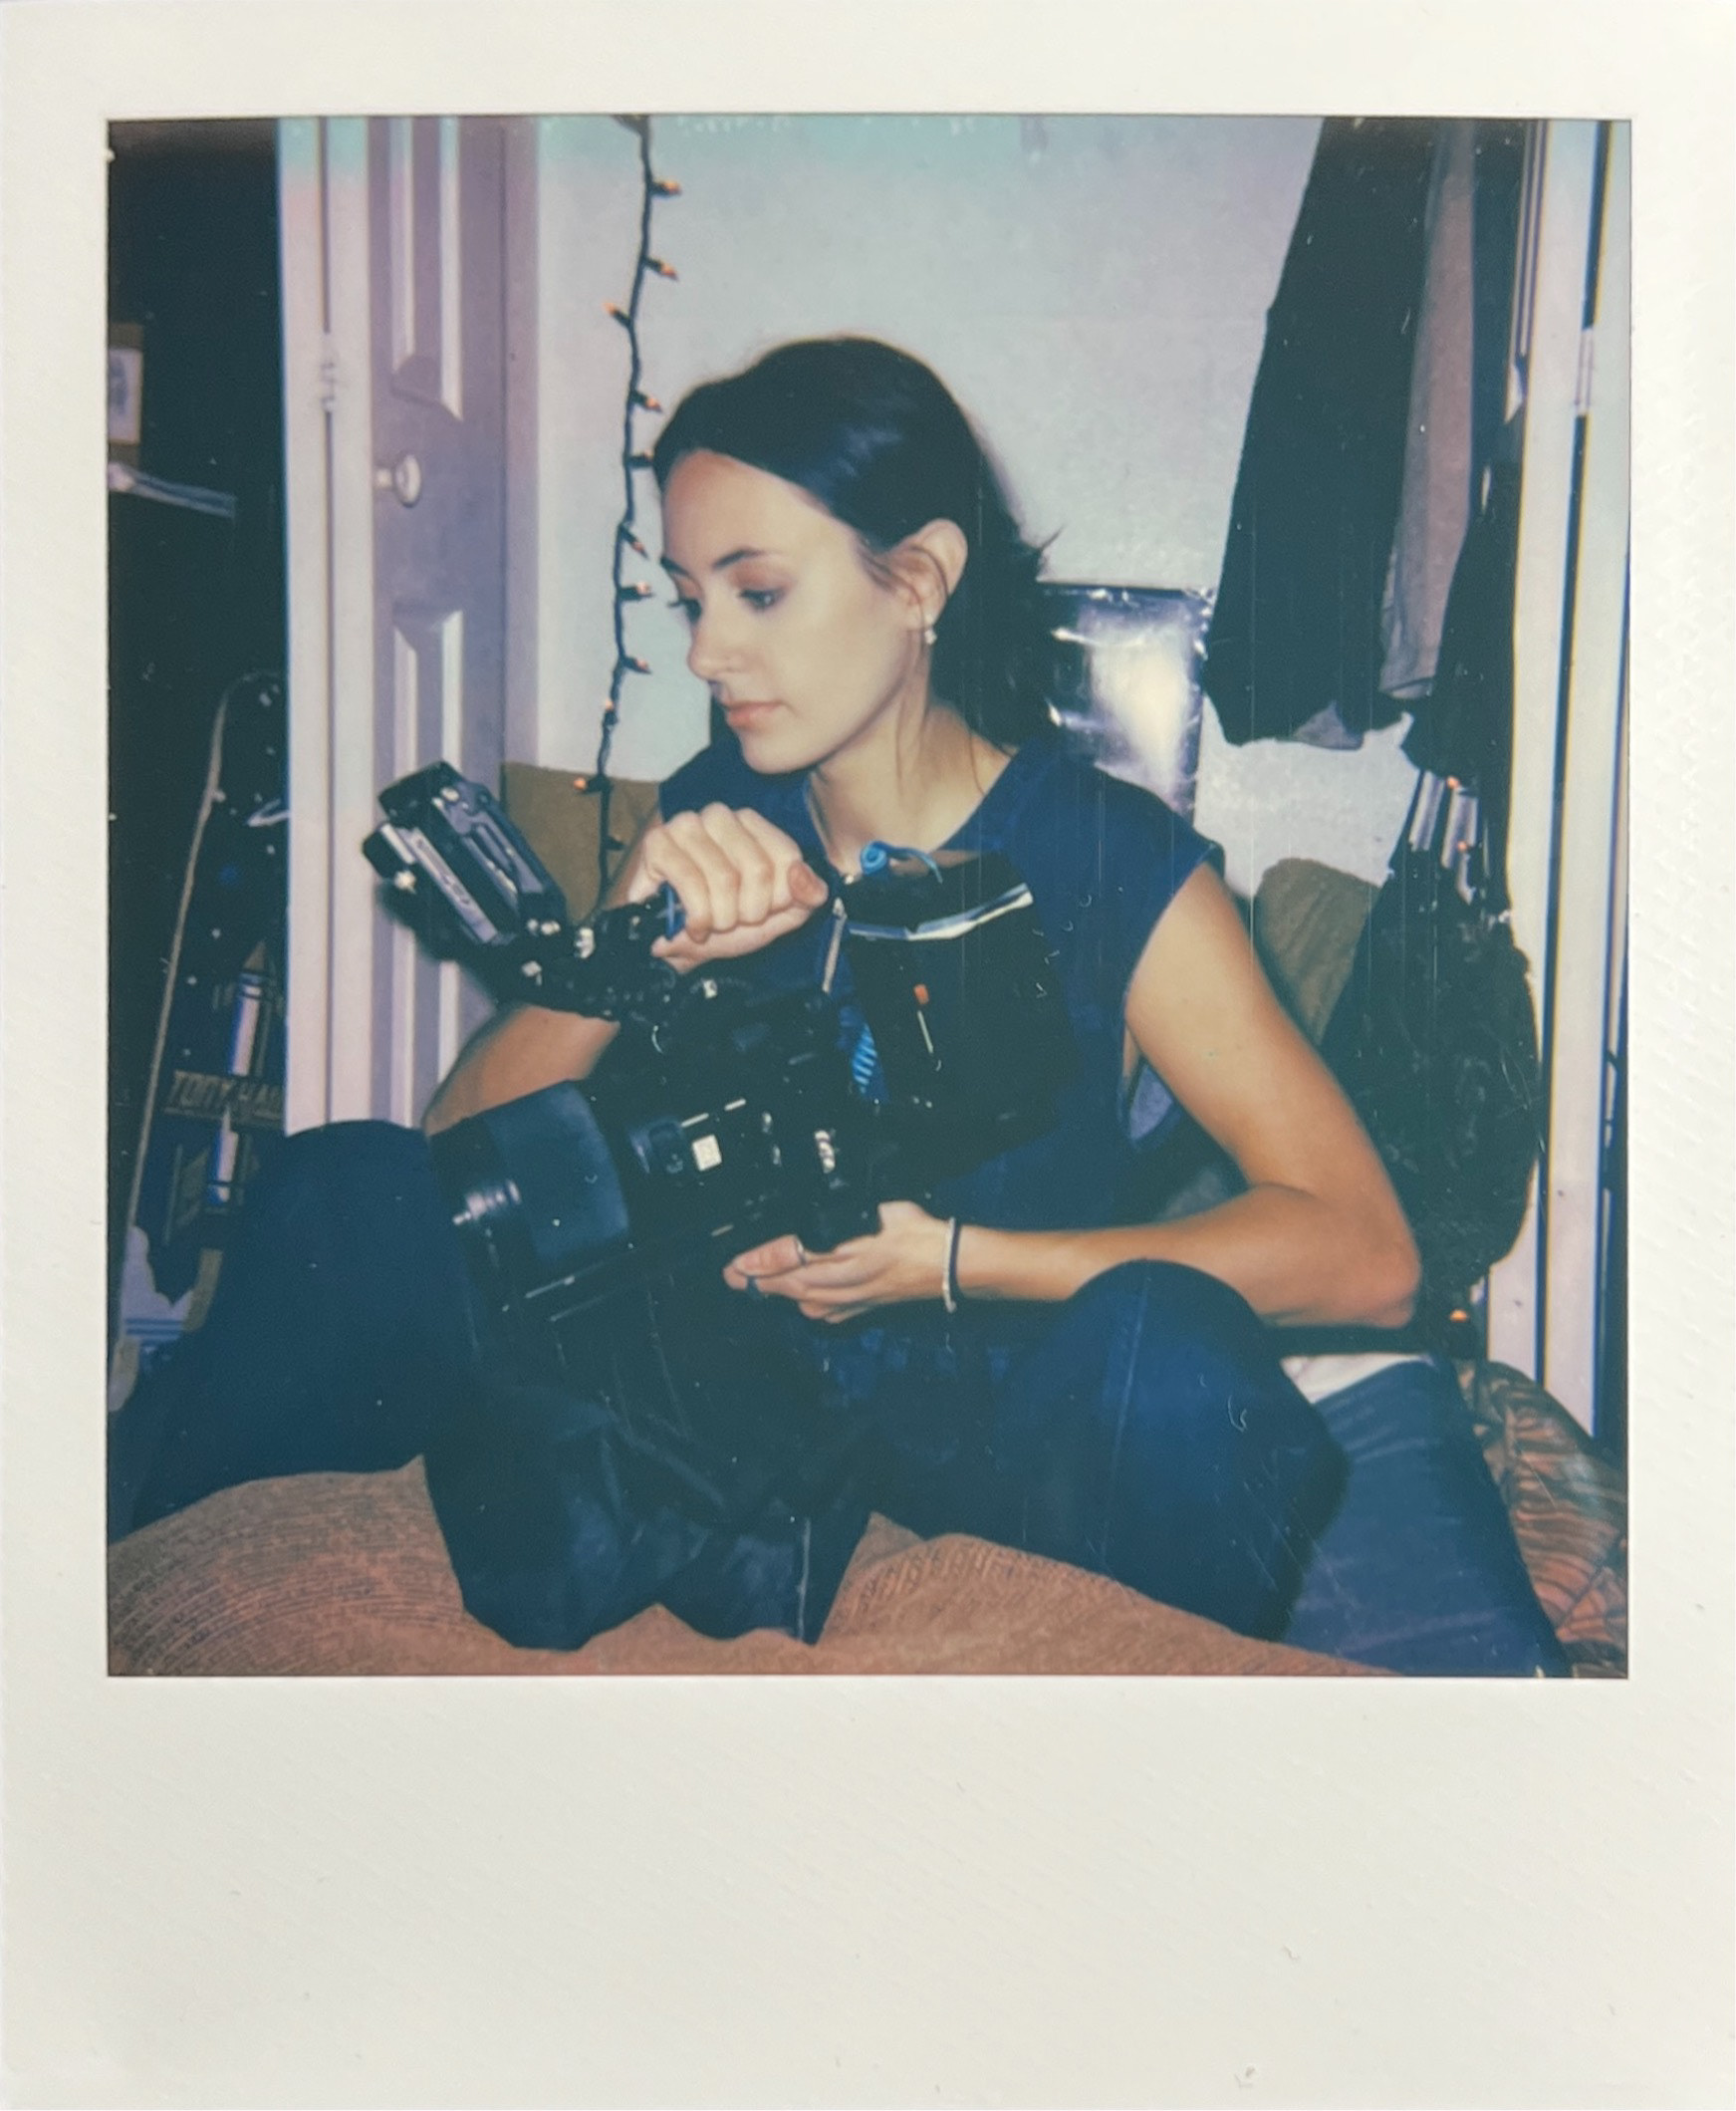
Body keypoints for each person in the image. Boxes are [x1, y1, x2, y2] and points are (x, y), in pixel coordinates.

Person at [110, 336, 1567, 1677]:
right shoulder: (716, 811)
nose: (705, 653)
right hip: (696, 1416)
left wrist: (957, 1263)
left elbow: (1367, 1255)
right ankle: (120, 1650)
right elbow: (453, 1154)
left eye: (757, 592)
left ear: (919, 579)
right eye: (689, 600)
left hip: (988, 1437)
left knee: (1173, 1357)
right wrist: (631, 959)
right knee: (347, 1185)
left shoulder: (1112, 863)